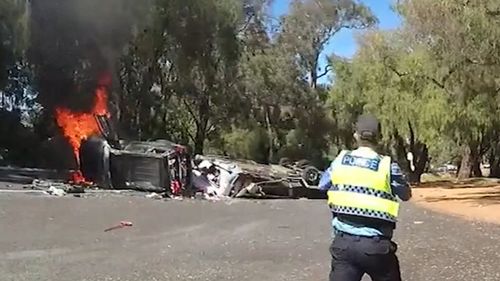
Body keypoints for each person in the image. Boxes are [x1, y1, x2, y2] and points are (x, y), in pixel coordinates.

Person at [319, 114, 412, 281]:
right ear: (379, 138)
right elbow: (405, 195)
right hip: (377, 247)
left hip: (343, 244)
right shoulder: (387, 166)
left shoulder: (340, 161)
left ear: (356, 135)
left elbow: (322, 185)